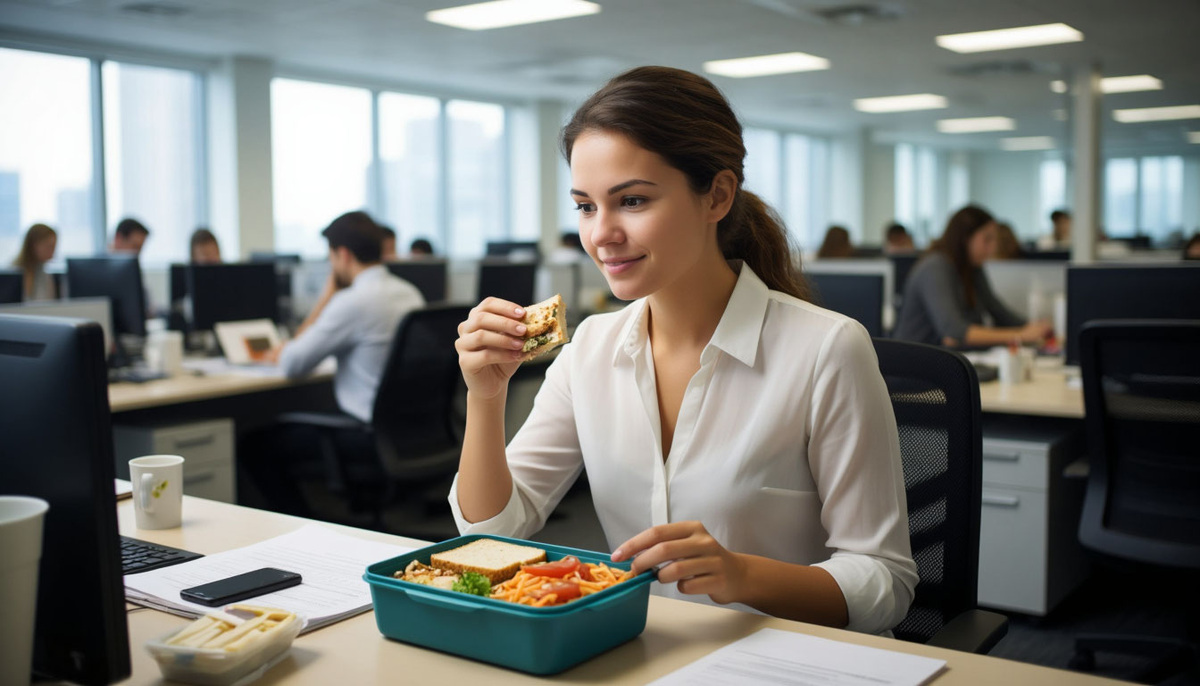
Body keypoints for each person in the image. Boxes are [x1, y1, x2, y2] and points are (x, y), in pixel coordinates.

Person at [452, 66, 916, 634]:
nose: (601, 234)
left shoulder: (826, 349)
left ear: (717, 196)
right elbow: (490, 536)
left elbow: (885, 582)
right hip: (648, 650)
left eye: (632, 200)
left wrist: (742, 575)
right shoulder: (590, 349)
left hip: (793, 660)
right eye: (586, 206)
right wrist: (485, 397)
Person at [244, 211, 425, 516]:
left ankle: (302, 528)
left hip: (367, 436)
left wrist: (326, 297)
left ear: (343, 255)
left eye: (330, 258)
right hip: (407, 433)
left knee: (254, 445)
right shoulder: (408, 293)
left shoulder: (352, 301)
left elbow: (292, 363)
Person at [893, 205, 1051, 348]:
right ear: (965, 238)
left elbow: (997, 311)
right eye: (987, 239)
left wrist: (1033, 327)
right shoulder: (935, 267)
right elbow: (954, 331)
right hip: (915, 364)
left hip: (944, 359)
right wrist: (1020, 335)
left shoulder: (970, 267)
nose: (993, 248)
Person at [11, 223, 58, 301]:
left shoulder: (45, 275)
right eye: (49, 247)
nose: (52, 253)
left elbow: (49, 304)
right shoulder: (13, 274)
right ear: (34, 245)